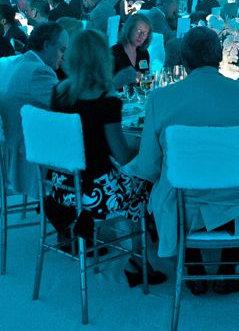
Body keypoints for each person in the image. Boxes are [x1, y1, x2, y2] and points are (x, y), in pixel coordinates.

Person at [128, 27, 239, 294]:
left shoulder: (161, 98)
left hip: (181, 203)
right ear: (219, 57)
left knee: (160, 182)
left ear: (184, 61)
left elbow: (148, 165)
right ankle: (232, 262)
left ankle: (191, 261)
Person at [47, 29, 160, 287]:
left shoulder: (59, 92)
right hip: (94, 191)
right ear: (103, 60)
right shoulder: (107, 101)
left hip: (61, 185)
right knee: (144, 180)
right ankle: (138, 259)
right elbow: (122, 155)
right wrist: (144, 147)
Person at [0, 21, 69, 196]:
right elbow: (70, 105)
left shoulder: (20, 62)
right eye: (62, 50)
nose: (63, 57)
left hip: (12, 146)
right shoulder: (38, 72)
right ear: (47, 45)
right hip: (28, 155)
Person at [111, 13, 152, 87]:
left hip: (139, 94)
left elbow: (147, 83)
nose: (141, 36)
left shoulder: (144, 53)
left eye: (145, 33)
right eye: (139, 31)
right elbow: (106, 85)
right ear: (129, 29)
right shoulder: (113, 53)